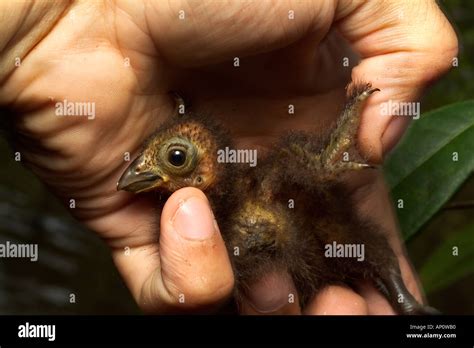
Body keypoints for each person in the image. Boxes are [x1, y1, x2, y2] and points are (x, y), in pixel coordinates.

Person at [0, 0, 457, 314]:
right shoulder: (227, 219)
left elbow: (311, 173)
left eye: (175, 157)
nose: (146, 172)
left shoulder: (275, 176)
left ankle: (404, 300)